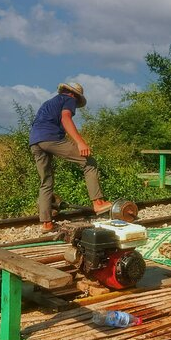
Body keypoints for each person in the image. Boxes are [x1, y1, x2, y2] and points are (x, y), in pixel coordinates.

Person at [29, 82, 112, 233]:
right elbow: (66, 118)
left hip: (35, 141)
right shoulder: (69, 99)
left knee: (45, 182)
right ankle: (98, 203)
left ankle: (46, 224)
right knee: (89, 162)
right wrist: (80, 143)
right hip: (51, 138)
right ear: (74, 95)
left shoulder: (49, 102)